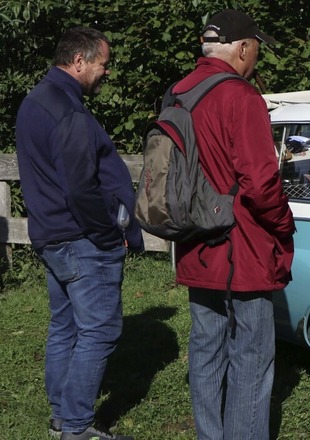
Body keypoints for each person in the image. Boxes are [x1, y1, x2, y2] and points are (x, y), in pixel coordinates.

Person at [172, 9, 295, 440]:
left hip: (193, 241)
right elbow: (261, 185)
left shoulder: (178, 93)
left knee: (205, 349)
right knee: (252, 354)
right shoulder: (241, 98)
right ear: (243, 48)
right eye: (256, 49)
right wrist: (284, 225)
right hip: (241, 249)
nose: (256, 59)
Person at [15, 28, 143, 440]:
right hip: (81, 238)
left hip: (52, 234)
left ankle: (61, 415)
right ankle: (75, 425)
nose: (106, 72)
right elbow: (79, 188)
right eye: (103, 64)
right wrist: (108, 233)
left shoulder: (37, 100)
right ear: (80, 62)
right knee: (100, 329)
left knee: (66, 325)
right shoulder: (66, 110)